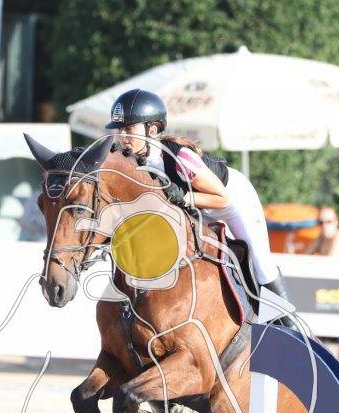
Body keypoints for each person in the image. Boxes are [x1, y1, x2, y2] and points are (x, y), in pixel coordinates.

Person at [106, 88, 292, 308]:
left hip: (232, 200)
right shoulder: (130, 161)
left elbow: (222, 199)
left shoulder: (180, 158)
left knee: (261, 265)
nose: (122, 137)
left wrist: (184, 197)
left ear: (152, 130)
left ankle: (287, 322)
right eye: (119, 130)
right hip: (196, 210)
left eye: (129, 129)